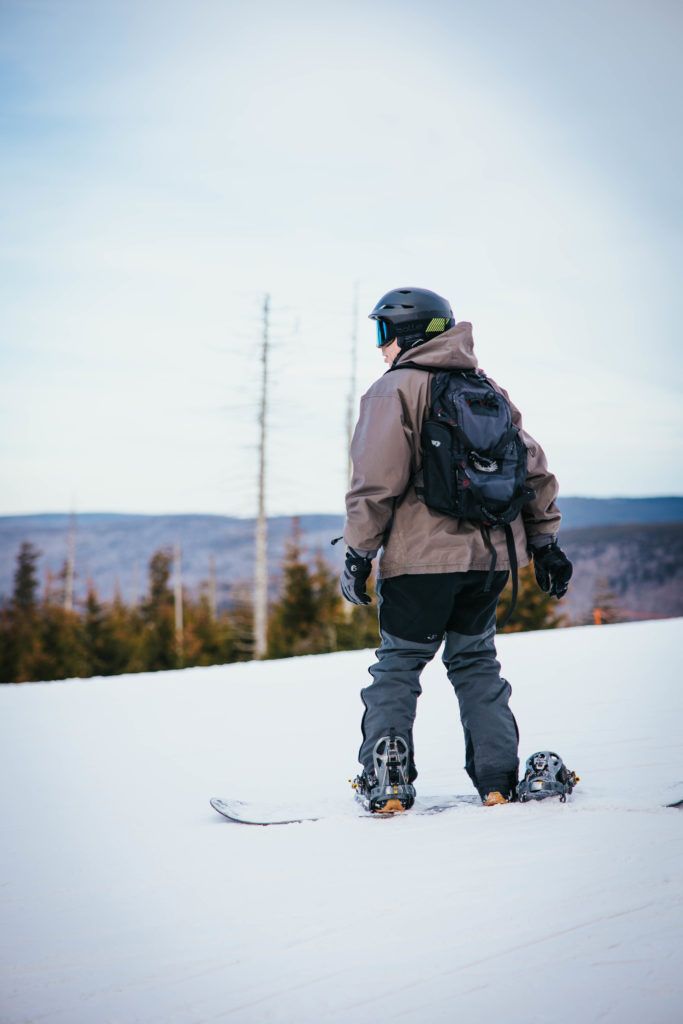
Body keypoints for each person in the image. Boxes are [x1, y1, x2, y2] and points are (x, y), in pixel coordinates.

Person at [340, 287, 573, 813]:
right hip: (490, 562)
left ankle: (388, 779)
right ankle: (497, 781)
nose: (380, 347)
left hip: (421, 561)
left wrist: (359, 552)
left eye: (384, 333)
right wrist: (545, 544)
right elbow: (534, 470)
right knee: (475, 663)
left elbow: (375, 482)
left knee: (399, 664)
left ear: (409, 334)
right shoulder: (486, 389)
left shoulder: (395, 389)